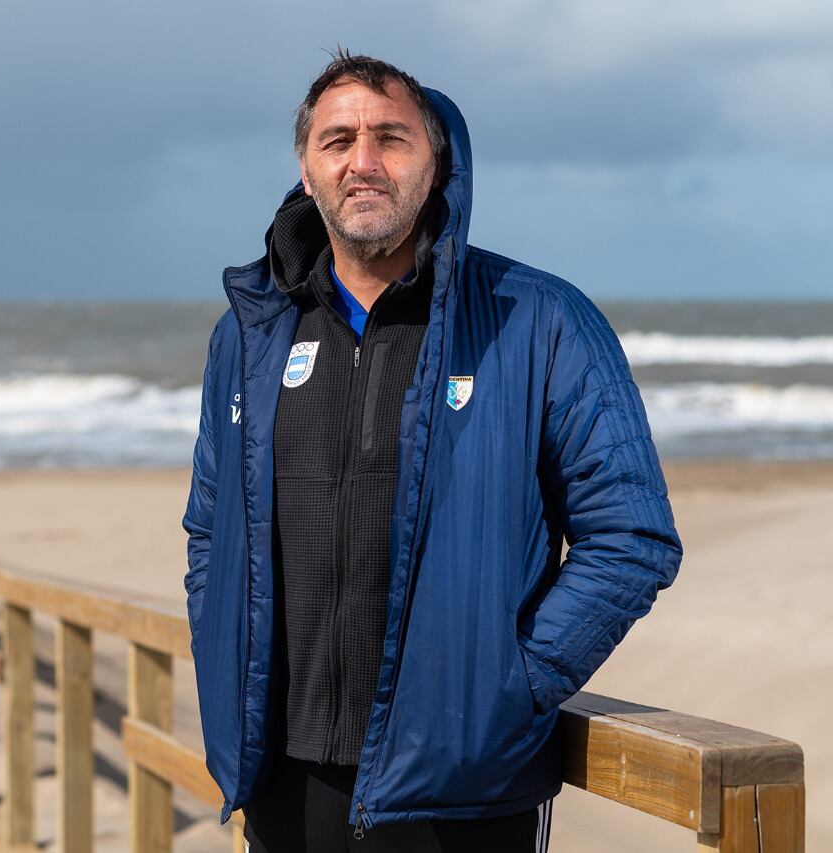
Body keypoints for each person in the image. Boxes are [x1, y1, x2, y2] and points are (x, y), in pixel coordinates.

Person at [182, 50, 682, 852]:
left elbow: (632, 537)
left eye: (392, 138)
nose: (363, 161)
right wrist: (224, 669)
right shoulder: (251, 333)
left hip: (461, 788)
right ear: (306, 171)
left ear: (437, 162)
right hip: (281, 776)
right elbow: (210, 529)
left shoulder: (539, 318)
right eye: (337, 139)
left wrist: (507, 689)